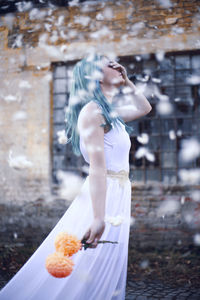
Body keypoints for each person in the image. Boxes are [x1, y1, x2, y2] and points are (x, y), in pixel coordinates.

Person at [0, 53, 152, 300]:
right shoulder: (92, 112)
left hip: (118, 191)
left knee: (101, 261)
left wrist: (128, 82)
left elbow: (145, 108)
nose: (116, 65)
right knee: (84, 262)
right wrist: (98, 217)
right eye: (108, 64)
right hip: (103, 195)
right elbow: (97, 168)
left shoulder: (109, 112)